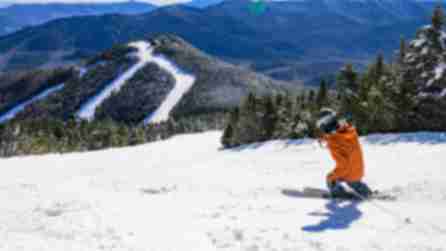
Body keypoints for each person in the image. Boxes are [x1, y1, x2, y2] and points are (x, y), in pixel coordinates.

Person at [316, 108, 373, 199]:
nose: (322, 128)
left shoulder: (334, 140)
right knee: (353, 181)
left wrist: (333, 175)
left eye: (322, 124)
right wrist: (325, 138)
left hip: (348, 170)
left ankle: (339, 194)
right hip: (358, 168)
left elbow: (343, 164)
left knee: (330, 178)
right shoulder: (346, 130)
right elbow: (338, 135)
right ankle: (365, 192)